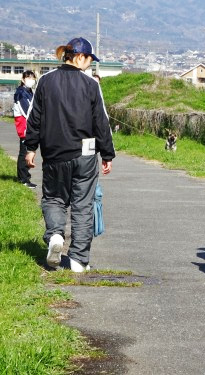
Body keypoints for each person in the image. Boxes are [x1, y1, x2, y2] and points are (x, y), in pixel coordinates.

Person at [24, 37, 115, 272]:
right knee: (83, 206)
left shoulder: (45, 81)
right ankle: (78, 260)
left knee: (54, 198)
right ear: (79, 57)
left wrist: (30, 148)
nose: (89, 65)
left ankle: (55, 236)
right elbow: (101, 122)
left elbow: (34, 118)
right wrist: (107, 154)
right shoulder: (91, 85)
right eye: (89, 60)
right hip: (85, 155)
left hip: (54, 154)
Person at [13, 70, 37, 188]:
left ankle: (25, 177)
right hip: (24, 126)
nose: (30, 80)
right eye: (28, 78)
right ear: (23, 80)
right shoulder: (21, 93)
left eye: (33, 78)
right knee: (24, 152)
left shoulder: (29, 92)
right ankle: (23, 179)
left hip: (27, 126)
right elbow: (27, 111)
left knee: (26, 151)